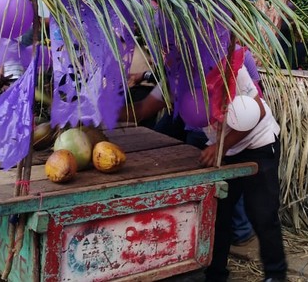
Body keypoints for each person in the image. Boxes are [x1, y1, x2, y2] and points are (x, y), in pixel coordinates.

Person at [122, 50, 287, 282]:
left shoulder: (228, 65)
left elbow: (257, 111)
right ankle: (216, 275)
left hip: (258, 144)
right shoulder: (175, 76)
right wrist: (100, 115)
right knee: (218, 215)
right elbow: (143, 109)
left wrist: (220, 146)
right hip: (223, 149)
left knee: (262, 214)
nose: (166, 50)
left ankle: (276, 275)